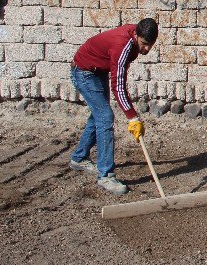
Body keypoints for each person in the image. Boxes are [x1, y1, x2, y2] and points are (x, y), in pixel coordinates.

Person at [68, 18, 159, 195]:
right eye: (144, 44)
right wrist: (132, 117)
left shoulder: (135, 37)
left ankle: (79, 158)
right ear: (136, 35)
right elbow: (118, 85)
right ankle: (106, 175)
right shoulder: (122, 46)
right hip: (84, 72)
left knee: (98, 116)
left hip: (97, 70)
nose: (146, 49)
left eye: (151, 44)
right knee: (105, 117)